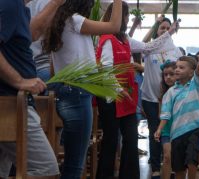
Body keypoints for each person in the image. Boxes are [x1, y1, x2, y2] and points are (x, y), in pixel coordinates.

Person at [95, 2, 179, 178]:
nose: (126, 19)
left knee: (131, 139)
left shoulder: (125, 39)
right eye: (125, 15)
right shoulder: (107, 39)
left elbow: (147, 47)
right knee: (111, 142)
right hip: (111, 98)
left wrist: (169, 33)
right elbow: (105, 70)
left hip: (126, 97)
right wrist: (119, 89)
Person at [42, 0, 123, 178]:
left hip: (62, 90)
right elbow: (114, 26)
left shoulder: (60, 22)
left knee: (72, 159)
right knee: (75, 163)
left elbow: (52, 67)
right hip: (77, 93)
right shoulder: (75, 20)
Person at [0, 0, 61, 178]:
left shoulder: (18, 7)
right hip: (11, 103)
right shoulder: (11, 4)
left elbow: (33, 32)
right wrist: (19, 81)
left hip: (10, 103)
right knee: (46, 170)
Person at [154, 39, 199, 179]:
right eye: (177, 67)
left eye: (181, 68)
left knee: (192, 162)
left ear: (191, 73)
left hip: (193, 130)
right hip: (176, 134)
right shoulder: (170, 93)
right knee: (178, 169)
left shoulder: (193, 85)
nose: (177, 69)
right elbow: (165, 114)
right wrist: (159, 129)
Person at [140, 17, 183, 178]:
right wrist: (154, 24)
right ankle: (155, 166)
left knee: (169, 131)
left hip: (171, 99)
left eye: (167, 28)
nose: (165, 31)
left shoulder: (175, 50)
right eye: (161, 28)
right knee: (154, 130)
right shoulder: (150, 48)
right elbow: (142, 44)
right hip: (150, 98)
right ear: (157, 30)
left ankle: (169, 163)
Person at [156, 61, 177, 179]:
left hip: (180, 129)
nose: (168, 77)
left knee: (179, 159)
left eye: (171, 74)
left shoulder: (183, 91)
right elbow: (160, 115)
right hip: (166, 130)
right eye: (165, 75)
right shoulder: (163, 95)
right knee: (167, 156)